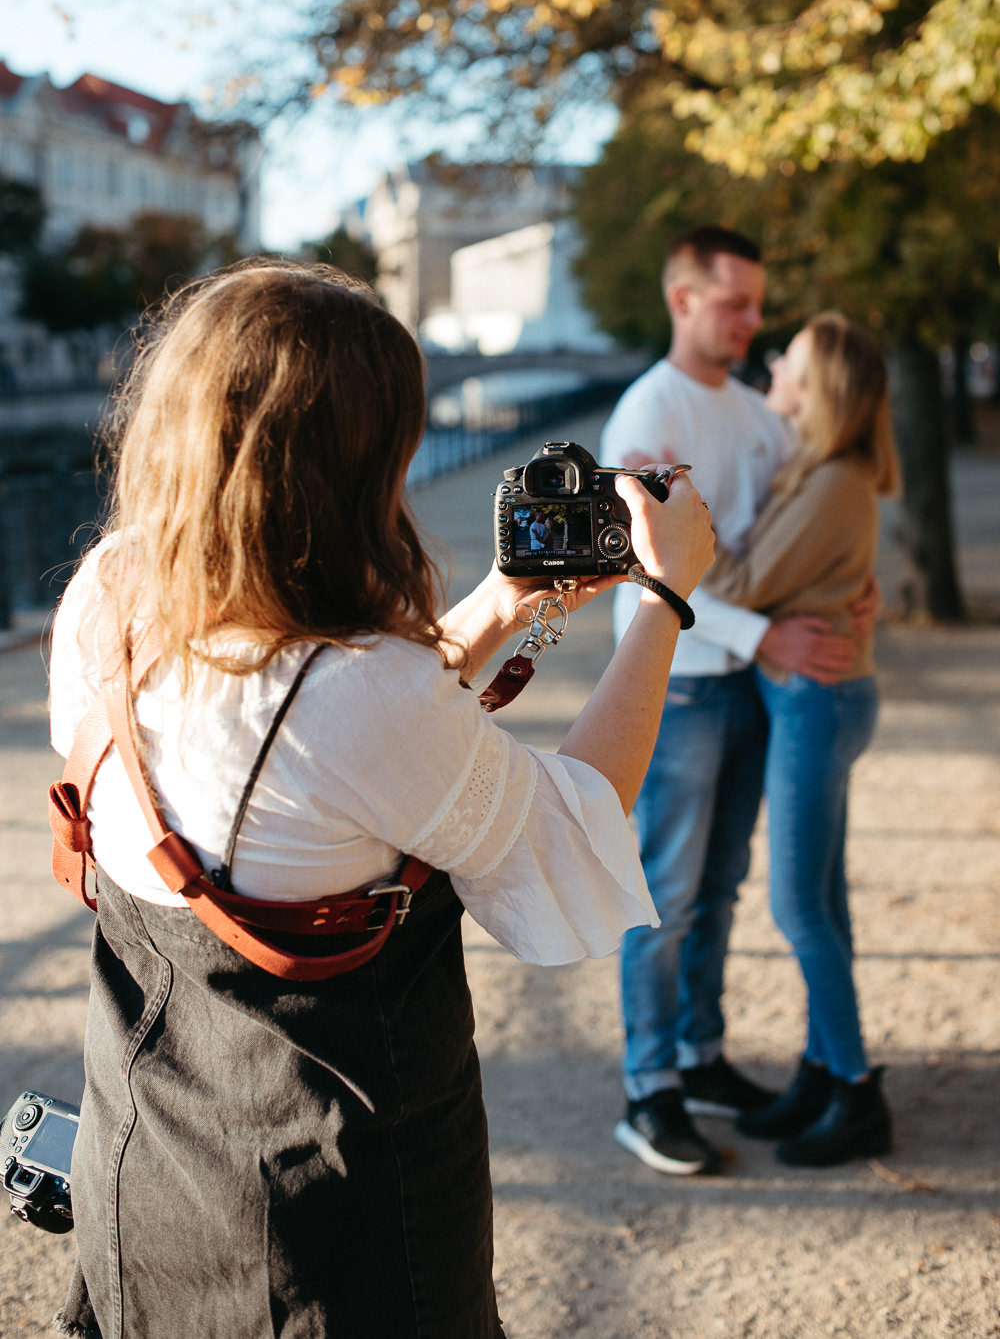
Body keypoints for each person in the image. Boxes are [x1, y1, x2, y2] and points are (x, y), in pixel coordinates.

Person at [48, 260, 715, 1339]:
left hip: (146, 1173)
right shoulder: (366, 696)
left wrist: (503, 605)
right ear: (356, 464)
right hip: (335, 1230)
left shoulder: (109, 594)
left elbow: (314, 766)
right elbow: (575, 832)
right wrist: (663, 604)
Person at [601, 227, 863, 1177]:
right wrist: (765, 636)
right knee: (665, 893)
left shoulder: (760, 415)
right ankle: (649, 1088)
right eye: (735, 304)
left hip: (754, 689)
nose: (754, 320)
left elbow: (803, 524)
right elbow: (648, 568)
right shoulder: (645, 413)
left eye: (757, 303)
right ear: (682, 301)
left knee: (718, 888)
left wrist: (854, 589)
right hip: (679, 691)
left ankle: (701, 1058)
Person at [700, 311, 898, 1166]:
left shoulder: (831, 484)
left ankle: (856, 1091)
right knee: (826, 901)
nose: (774, 361)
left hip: (817, 702)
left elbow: (742, 581)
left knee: (797, 906)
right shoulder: (818, 472)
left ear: (818, 391)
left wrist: (663, 526)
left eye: (794, 360)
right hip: (815, 697)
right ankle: (822, 1069)